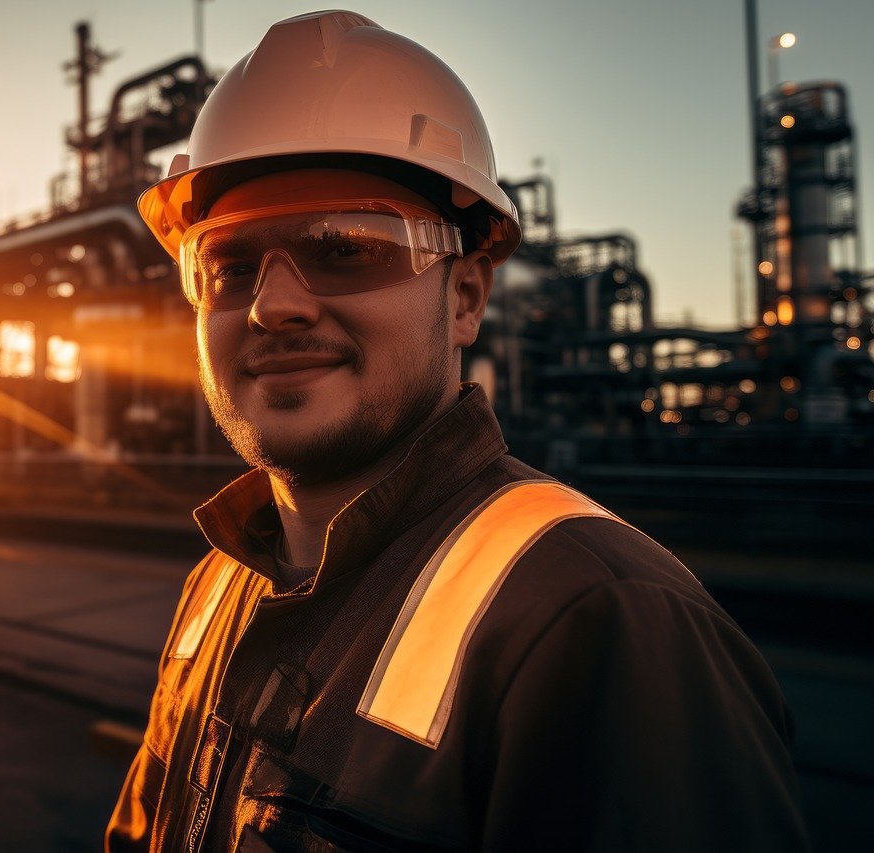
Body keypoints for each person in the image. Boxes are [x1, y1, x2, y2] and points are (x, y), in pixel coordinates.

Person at [107, 10, 809, 852]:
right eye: (228, 265)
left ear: (468, 295)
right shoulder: (218, 586)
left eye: (345, 245)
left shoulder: (603, 622)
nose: (272, 304)